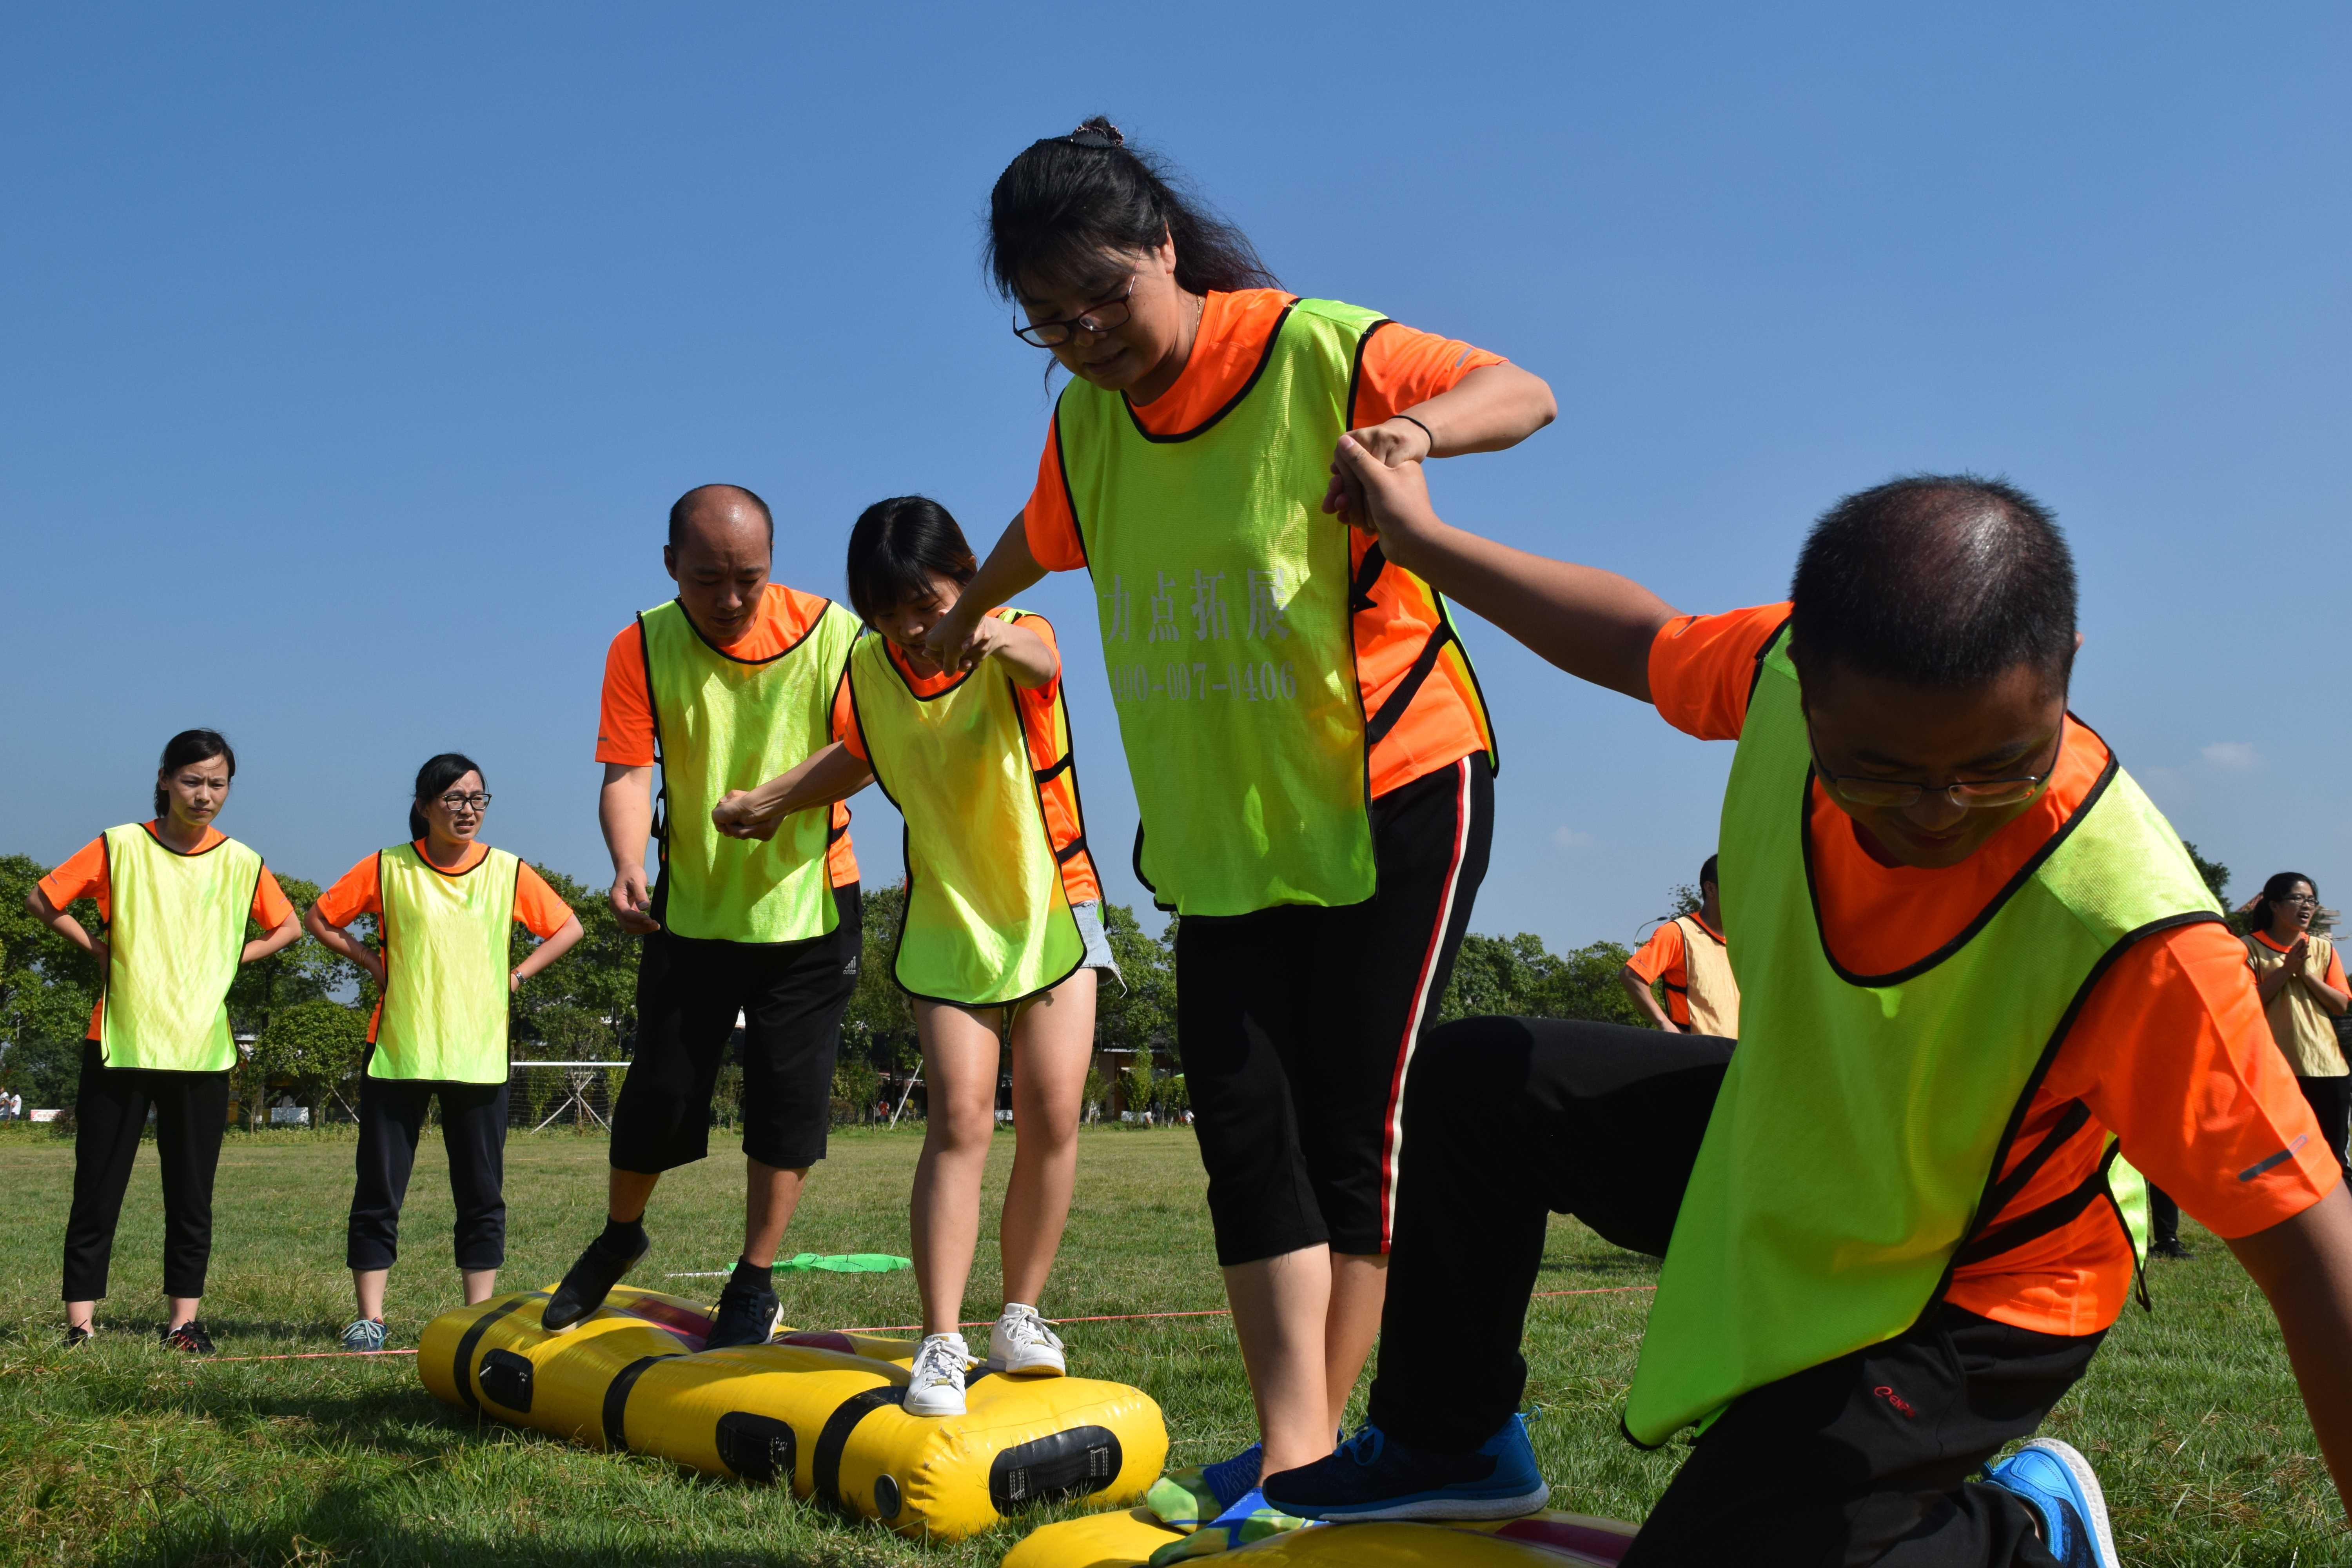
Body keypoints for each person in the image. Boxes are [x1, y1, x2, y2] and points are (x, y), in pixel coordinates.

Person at [1261, 462, 2352, 1567]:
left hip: (1987, 1276)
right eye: (1878, 774)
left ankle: (2028, 1536)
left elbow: (2316, 1257)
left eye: (2000, 769)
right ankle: (1447, 1444)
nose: (1939, 813)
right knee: (1480, 1077)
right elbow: (1636, 639)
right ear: (1802, 680)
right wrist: (1422, 538)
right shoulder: (1777, 664)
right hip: (1806, 1148)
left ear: (2062, 672)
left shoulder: (2141, 935)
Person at [926, 116, 1553, 1542]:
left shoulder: (1311, 349)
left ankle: (1326, 1463)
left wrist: (1411, 431)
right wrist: (964, 612)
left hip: (1395, 784)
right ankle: (1301, 1449)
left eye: (1105, 307)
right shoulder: (1089, 415)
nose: (1087, 342)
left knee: (1356, 1120)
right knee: (1243, 1124)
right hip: (1223, 824)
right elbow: (1044, 528)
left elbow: (1521, 390)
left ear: (1162, 248)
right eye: (1051, 326)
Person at [714, 495, 1119, 1416]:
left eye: (927, 601)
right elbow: (860, 752)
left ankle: (1021, 1315)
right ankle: (941, 1340)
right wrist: (774, 800)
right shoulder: (869, 666)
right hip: (948, 920)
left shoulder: (1017, 631)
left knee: (1056, 1116)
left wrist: (979, 629)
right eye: (890, 609)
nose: (911, 624)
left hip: (1054, 904)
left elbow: (1042, 663)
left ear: (966, 575)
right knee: (961, 1123)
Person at [545, 483, 867, 1349]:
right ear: (670, 567)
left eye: (748, 580)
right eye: (708, 580)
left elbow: (868, 749)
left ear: (772, 566)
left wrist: (774, 799)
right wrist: (625, 863)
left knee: (787, 1102)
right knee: (660, 1087)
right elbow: (625, 768)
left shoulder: (833, 634)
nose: (729, 600)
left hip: (811, 905)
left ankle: (753, 1281)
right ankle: (620, 1234)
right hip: (688, 908)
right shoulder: (642, 642)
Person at [28, 730, 303, 1352]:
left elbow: (286, 926)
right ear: (164, 780)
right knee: (98, 1187)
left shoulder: (242, 861)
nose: (204, 795)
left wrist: (235, 958)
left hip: (202, 1049)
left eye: (217, 784)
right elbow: (44, 898)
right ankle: (80, 1324)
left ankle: (184, 1322)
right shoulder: (120, 845)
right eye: (192, 781)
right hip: (120, 1040)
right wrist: (97, 947)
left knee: (191, 1195)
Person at [306, 753, 584, 1349]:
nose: (467, 810)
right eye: (455, 799)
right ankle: (370, 1319)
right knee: (379, 1189)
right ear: (425, 804)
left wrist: (516, 976)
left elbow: (568, 927)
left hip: (478, 1054)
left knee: (482, 1193)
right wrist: (371, 962)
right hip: (399, 1051)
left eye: (478, 799)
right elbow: (322, 918)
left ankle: (477, 1321)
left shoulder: (508, 870)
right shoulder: (387, 867)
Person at [2243, 871, 2351, 1187]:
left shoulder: (2324, 949)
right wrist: (2286, 970)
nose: (2306, 906)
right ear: (2275, 906)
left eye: (2311, 900)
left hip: (2328, 1067)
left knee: (2335, 1160)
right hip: (2275, 1069)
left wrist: (2305, 974)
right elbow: (2247, 1002)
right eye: (2298, 899)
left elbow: (2340, 1004)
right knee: (2280, 1157)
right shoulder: (2248, 948)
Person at [1619, 854, 1740, 1037]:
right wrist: (1665, 1025)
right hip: (1699, 1057)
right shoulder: (1678, 933)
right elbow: (1631, 977)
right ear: (1711, 889)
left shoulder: (1742, 939)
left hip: (1738, 1057)